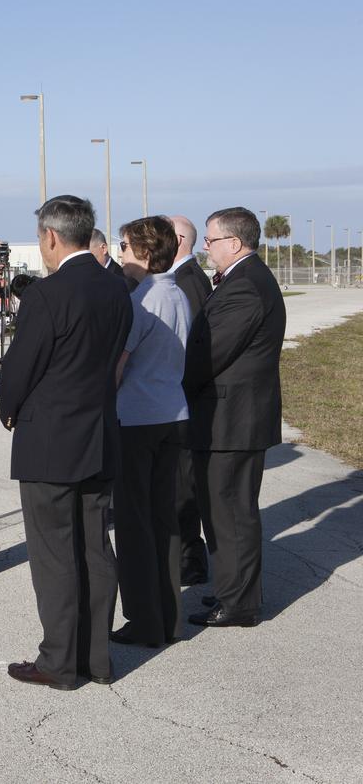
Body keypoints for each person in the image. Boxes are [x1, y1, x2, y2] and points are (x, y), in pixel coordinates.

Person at [0, 195, 132, 690]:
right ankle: (96, 659)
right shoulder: (115, 287)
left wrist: (8, 407)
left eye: (40, 239)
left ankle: (59, 661)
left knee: (54, 553)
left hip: (51, 440)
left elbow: (19, 367)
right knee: (95, 547)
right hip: (98, 432)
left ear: (52, 237)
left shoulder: (48, 294)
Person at [182, 207, 286, 628]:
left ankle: (241, 603)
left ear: (235, 244)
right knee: (219, 511)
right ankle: (229, 590)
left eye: (211, 240)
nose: (206, 248)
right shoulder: (241, 279)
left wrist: (175, 383)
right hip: (226, 417)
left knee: (232, 512)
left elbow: (210, 354)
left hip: (234, 419)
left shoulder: (246, 286)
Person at [109, 216, 192, 647]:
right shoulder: (175, 292)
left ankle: (144, 620)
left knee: (135, 523)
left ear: (143, 252)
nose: (120, 255)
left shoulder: (142, 299)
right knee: (163, 520)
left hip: (138, 418)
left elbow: (119, 366)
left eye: (123, 247)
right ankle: (168, 616)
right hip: (172, 413)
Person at [167, 215, 213, 585]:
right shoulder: (186, 278)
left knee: (184, 487)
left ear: (178, 239)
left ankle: (190, 560)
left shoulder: (187, 282)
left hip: (184, 403)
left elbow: (192, 349)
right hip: (181, 402)